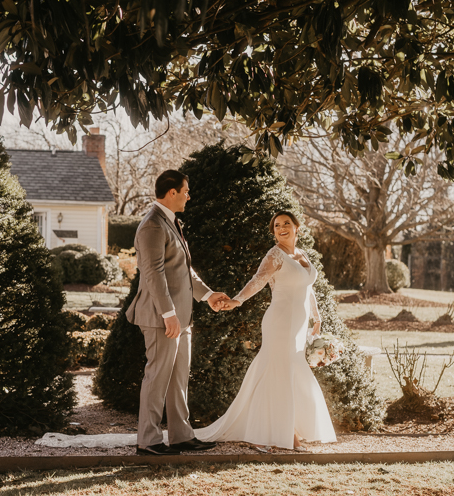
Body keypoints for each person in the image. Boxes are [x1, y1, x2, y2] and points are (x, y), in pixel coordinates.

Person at [193, 211, 337, 451]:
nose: (281, 228)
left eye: (286, 224)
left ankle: (288, 432)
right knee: (274, 374)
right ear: (273, 232)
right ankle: (262, 435)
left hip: (299, 327)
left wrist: (316, 316)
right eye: (277, 226)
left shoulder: (302, 255)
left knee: (291, 376)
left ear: (297, 227)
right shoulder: (275, 255)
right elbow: (257, 281)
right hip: (280, 322)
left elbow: (307, 286)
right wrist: (237, 301)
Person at [126, 169, 230, 456]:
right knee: (157, 378)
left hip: (182, 318)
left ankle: (182, 436)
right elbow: (153, 274)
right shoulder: (152, 226)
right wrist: (168, 314)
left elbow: (183, 271)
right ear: (171, 192)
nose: (188, 195)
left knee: (178, 379)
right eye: (185, 190)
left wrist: (207, 295)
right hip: (162, 318)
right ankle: (148, 441)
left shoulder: (171, 222)